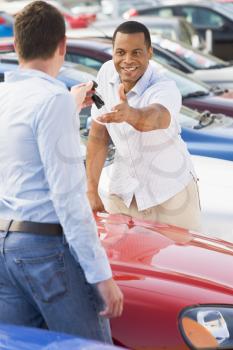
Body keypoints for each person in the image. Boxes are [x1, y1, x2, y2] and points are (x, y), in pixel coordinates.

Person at [0, 0, 123, 341]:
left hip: (5, 251)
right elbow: (69, 197)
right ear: (62, 46)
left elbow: (24, 151)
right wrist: (102, 276)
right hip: (46, 254)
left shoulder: (5, 97)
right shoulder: (51, 100)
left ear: (16, 45)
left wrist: (68, 104)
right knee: (89, 346)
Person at [86, 20, 201, 231]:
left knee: (182, 260)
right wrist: (91, 190)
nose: (127, 60)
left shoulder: (164, 86)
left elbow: (158, 117)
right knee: (119, 260)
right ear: (112, 52)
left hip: (170, 195)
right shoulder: (105, 73)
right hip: (124, 194)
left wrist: (130, 114)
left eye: (136, 53)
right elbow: (98, 135)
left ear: (150, 52)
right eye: (120, 52)